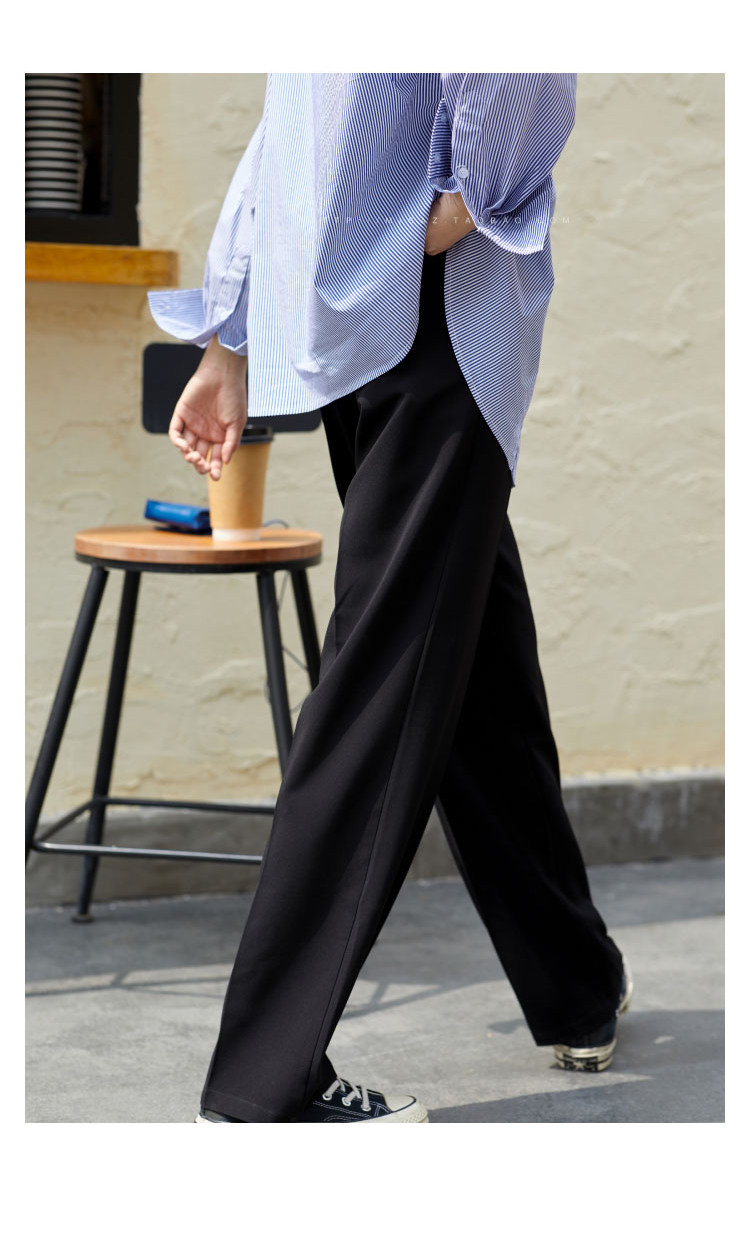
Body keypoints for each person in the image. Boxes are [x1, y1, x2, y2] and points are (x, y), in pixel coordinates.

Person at [148, 73, 632, 1125]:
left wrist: (406, 231)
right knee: (405, 671)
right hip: (407, 323)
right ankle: (266, 1082)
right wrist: (231, 341)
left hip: (397, 316)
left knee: (458, 662)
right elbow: (296, 133)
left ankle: (573, 986)